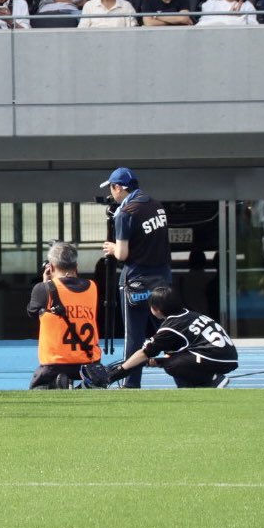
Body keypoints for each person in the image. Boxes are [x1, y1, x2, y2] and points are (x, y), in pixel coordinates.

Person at [100, 166, 171, 389]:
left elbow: (122, 254)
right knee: (170, 330)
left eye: (112, 188)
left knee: (134, 336)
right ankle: (189, 372)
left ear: (119, 187)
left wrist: (111, 248)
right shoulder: (157, 206)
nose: (112, 194)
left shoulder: (126, 212)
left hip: (136, 280)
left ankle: (131, 383)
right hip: (162, 278)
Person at [103, 286, 238, 388]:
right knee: (171, 359)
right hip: (229, 357)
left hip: (214, 358)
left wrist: (118, 372)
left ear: (156, 309)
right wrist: (159, 362)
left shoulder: (171, 326)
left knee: (172, 365)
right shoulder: (190, 314)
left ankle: (212, 379)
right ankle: (196, 387)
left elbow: (145, 353)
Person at [26, 241, 103, 390]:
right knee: (91, 383)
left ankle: (57, 383)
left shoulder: (43, 289)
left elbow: (33, 313)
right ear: (76, 267)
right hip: (88, 362)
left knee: (38, 391)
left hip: (55, 363)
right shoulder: (92, 287)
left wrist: (45, 283)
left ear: (51, 267)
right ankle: (84, 386)